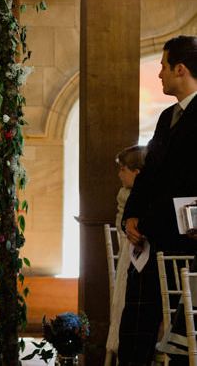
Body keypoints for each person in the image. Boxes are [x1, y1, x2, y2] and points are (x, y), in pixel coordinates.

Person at [119, 36, 197, 365]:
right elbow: (148, 174)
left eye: (163, 66)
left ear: (181, 69)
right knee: (135, 329)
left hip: (187, 238)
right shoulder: (167, 117)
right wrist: (131, 217)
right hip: (152, 236)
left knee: (183, 341)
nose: (160, 74)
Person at [105, 145, 147, 357]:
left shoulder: (140, 201)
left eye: (123, 169)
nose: (119, 174)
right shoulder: (125, 197)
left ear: (137, 173)